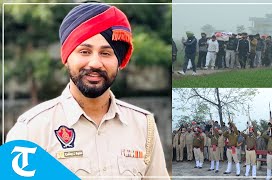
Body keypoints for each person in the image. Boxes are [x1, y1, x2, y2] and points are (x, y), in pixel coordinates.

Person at [6, 3, 169, 178]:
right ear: (67, 57)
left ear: (119, 62)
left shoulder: (143, 125)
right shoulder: (31, 129)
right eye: (84, 51)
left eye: (106, 53)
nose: (95, 63)